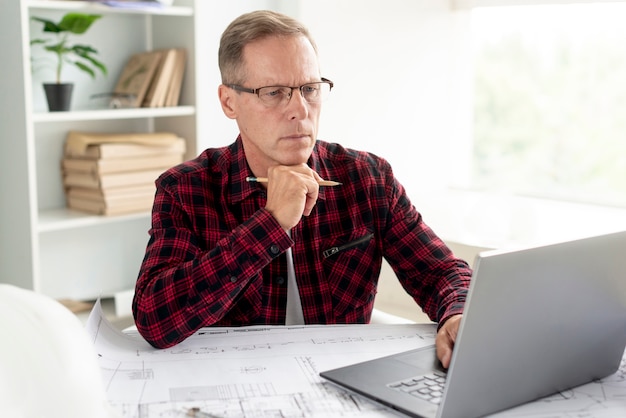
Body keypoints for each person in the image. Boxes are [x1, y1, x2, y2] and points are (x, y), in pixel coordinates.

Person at [132, 10, 472, 368]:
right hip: (236, 388)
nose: (299, 109)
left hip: (341, 387)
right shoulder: (184, 188)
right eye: (274, 92)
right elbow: (155, 320)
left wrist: (456, 315)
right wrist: (271, 223)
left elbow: (441, 273)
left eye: (309, 89)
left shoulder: (369, 178)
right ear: (228, 101)